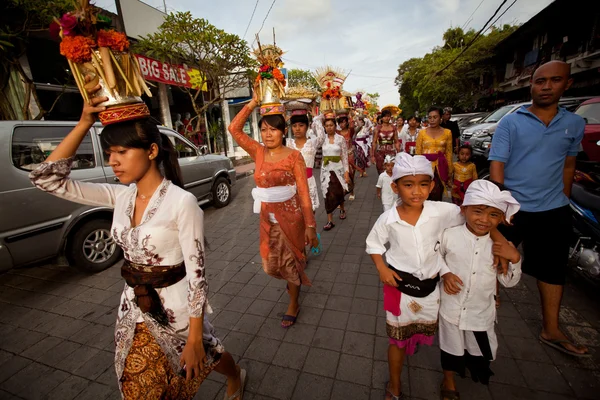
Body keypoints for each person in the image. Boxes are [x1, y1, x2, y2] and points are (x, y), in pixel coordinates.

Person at [29, 87, 244, 400]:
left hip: (178, 312)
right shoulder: (121, 196)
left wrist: (196, 335)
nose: (113, 161)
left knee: (210, 354)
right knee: (140, 387)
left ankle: (235, 375)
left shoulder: (182, 203)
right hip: (132, 308)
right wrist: (83, 124)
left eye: (122, 152)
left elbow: (197, 277)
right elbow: (46, 180)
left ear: (152, 151)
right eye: (110, 153)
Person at [489, 60, 589, 357]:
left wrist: (564, 199)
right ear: (530, 84)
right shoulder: (511, 121)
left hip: (553, 208)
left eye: (554, 80)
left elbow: (569, 164)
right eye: (539, 81)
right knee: (490, 259)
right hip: (513, 208)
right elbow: (497, 165)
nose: (546, 87)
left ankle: (552, 329)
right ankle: (483, 310)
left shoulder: (574, 124)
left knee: (553, 270)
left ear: (567, 84)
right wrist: (501, 207)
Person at [227, 90, 318, 329]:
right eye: (264, 129)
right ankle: (292, 281)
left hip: (292, 218)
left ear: (283, 131)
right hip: (267, 220)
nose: (268, 134)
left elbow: (304, 193)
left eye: (273, 129)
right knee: (270, 264)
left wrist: (310, 226)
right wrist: (253, 103)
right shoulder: (258, 152)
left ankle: (294, 303)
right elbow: (234, 129)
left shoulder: (294, 157)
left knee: (291, 264)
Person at [439, 180, 522, 400]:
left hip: (480, 311)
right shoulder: (449, 235)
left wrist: (515, 258)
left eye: (494, 215)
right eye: (478, 212)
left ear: (501, 218)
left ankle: (475, 368)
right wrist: (444, 273)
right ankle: (448, 381)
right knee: (450, 348)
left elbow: (509, 282)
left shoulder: (501, 247)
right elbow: (434, 258)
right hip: (451, 308)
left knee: (478, 350)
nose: (485, 220)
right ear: (464, 209)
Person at [287, 112, 326, 211]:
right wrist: (283, 120)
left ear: (307, 126)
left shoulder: (312, 143)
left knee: (310, 214)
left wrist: (316, 118)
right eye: (294, 126)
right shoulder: (288, 143)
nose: (297, 129)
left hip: (308, 183)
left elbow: (322, 136)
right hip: (291, 185)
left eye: (301, 125)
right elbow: (277, 137)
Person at [416, 106, 453, 201]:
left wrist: (449, 172)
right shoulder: (422, 133)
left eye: (435, 117)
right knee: (425, 194)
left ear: (441, 118)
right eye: (430, 117)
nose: (432, 120)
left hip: (440, 168)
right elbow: (418, 153)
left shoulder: (447, 133)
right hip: (425, 167)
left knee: (437, 193)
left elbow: (449, 153)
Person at [321, 113, 351, 230]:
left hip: (338, 169)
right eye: (327, 125)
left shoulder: (341, 139)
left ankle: (342, 209)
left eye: (331, 125)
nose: (329, 127)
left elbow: (344, 156)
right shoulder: (322, 139)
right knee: (327, 194)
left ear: (335, 126)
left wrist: (346, 172)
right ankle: (330, 221)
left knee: (339, 192)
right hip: (326, 170)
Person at [337, 114, 363, 200]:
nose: (342, 124)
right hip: (340, 157)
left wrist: (354, 116)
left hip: (350, 155)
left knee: (351, 175)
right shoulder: (337, 133)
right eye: (340, 123)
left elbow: (360, 126)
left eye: (344, 122)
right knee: (341, 175)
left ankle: (352, 192)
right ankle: (342, 194)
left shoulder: (350, 131)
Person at [371, 110, 400, 174]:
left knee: (391, 170)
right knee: (380, 170)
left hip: (391, 151)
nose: (387, 118)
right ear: (382, 118)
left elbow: (396, 141)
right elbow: (374, 142)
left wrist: (399, 153)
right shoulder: (377, 128)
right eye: (385, 116)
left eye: (388, 116)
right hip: (380, 152)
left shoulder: (393, 128)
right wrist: (372, 155)